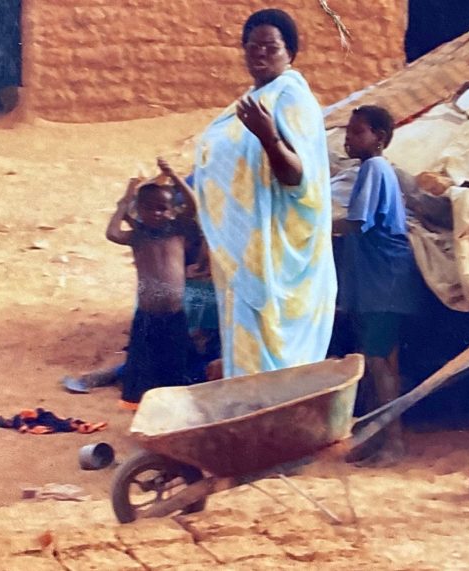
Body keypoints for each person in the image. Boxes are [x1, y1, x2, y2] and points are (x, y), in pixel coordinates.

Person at [191, 9, 336, 378]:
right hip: (248, 251)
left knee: (275, 357)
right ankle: (252, 411)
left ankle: (276, 411)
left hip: (279, 256)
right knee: (245, 354)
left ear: (291, 53)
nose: (259, 54)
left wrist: (268, 136)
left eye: (271, 47)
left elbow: (299, 180)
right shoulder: (249, 101)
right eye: (252, 46)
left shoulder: (292, 99)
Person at [334, 105, 422, 466]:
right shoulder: (373, 170)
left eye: (357, 133)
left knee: (379, 362)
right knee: (379, 361)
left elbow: (357, 222)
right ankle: (376, 438)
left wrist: (312, 226)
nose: (348, 139)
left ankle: (393, 442)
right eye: (348, 132)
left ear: (379, 138)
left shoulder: (374, 169)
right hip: (377, 282)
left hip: (383, 282)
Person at [105, 158, 200, 409]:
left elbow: (193, 205)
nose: (156, 213)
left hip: (174, 313)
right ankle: (140, 406)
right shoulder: (138, 236)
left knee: (175, 363)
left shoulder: (178, 230)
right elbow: (112, 233)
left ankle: (174, 405)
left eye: (162, 208)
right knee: (142, 363)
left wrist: (174, 175)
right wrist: (126, 199)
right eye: (148, 208)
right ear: (138, 210)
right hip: (147, 314)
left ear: (172, 210)